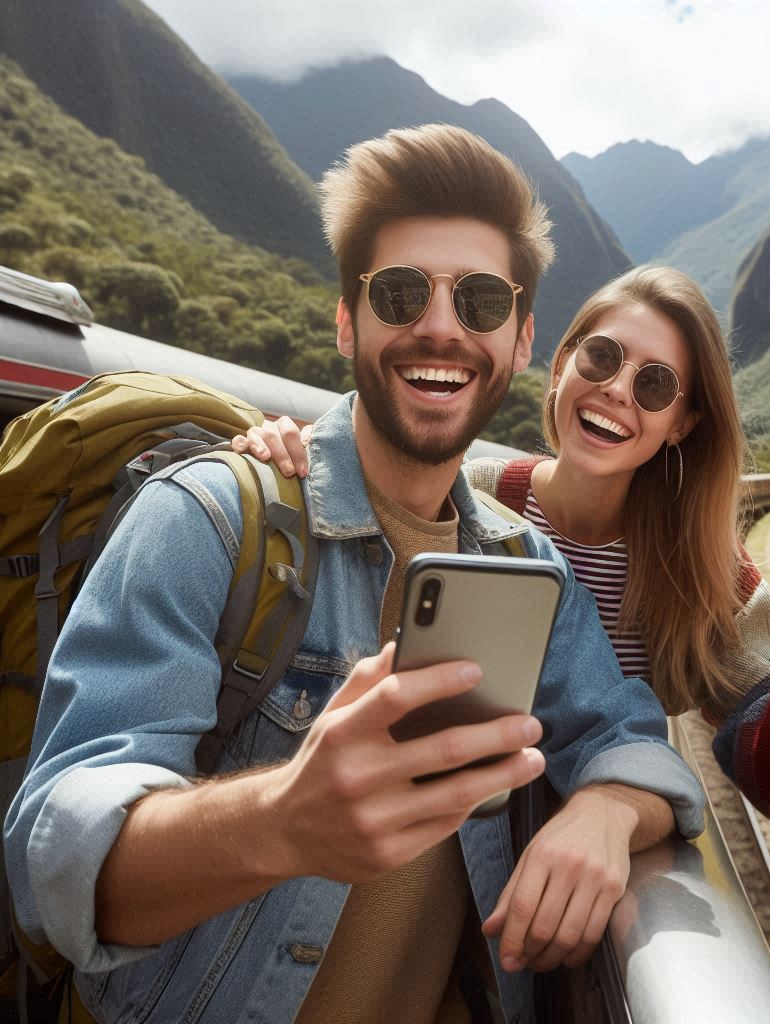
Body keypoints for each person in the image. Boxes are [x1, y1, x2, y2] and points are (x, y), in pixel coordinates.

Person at [3, 126, 707, 1024]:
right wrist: (283, 821)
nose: (442, 326)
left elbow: (630, 736)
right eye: (403, 292)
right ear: (348, 320)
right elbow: (58, 861)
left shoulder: (531, 567)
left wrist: (610, 810)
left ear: (523, 338)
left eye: (482, 301)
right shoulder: (208, 520)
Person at [244, 264, 770, 827]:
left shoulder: (708, 576)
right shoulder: (467, 500)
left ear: (683, 424)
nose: (619, 389)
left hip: (581, 875)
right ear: (561, 368)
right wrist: (285, 455)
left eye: (655, 384)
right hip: (438, 853)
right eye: (602, 357)